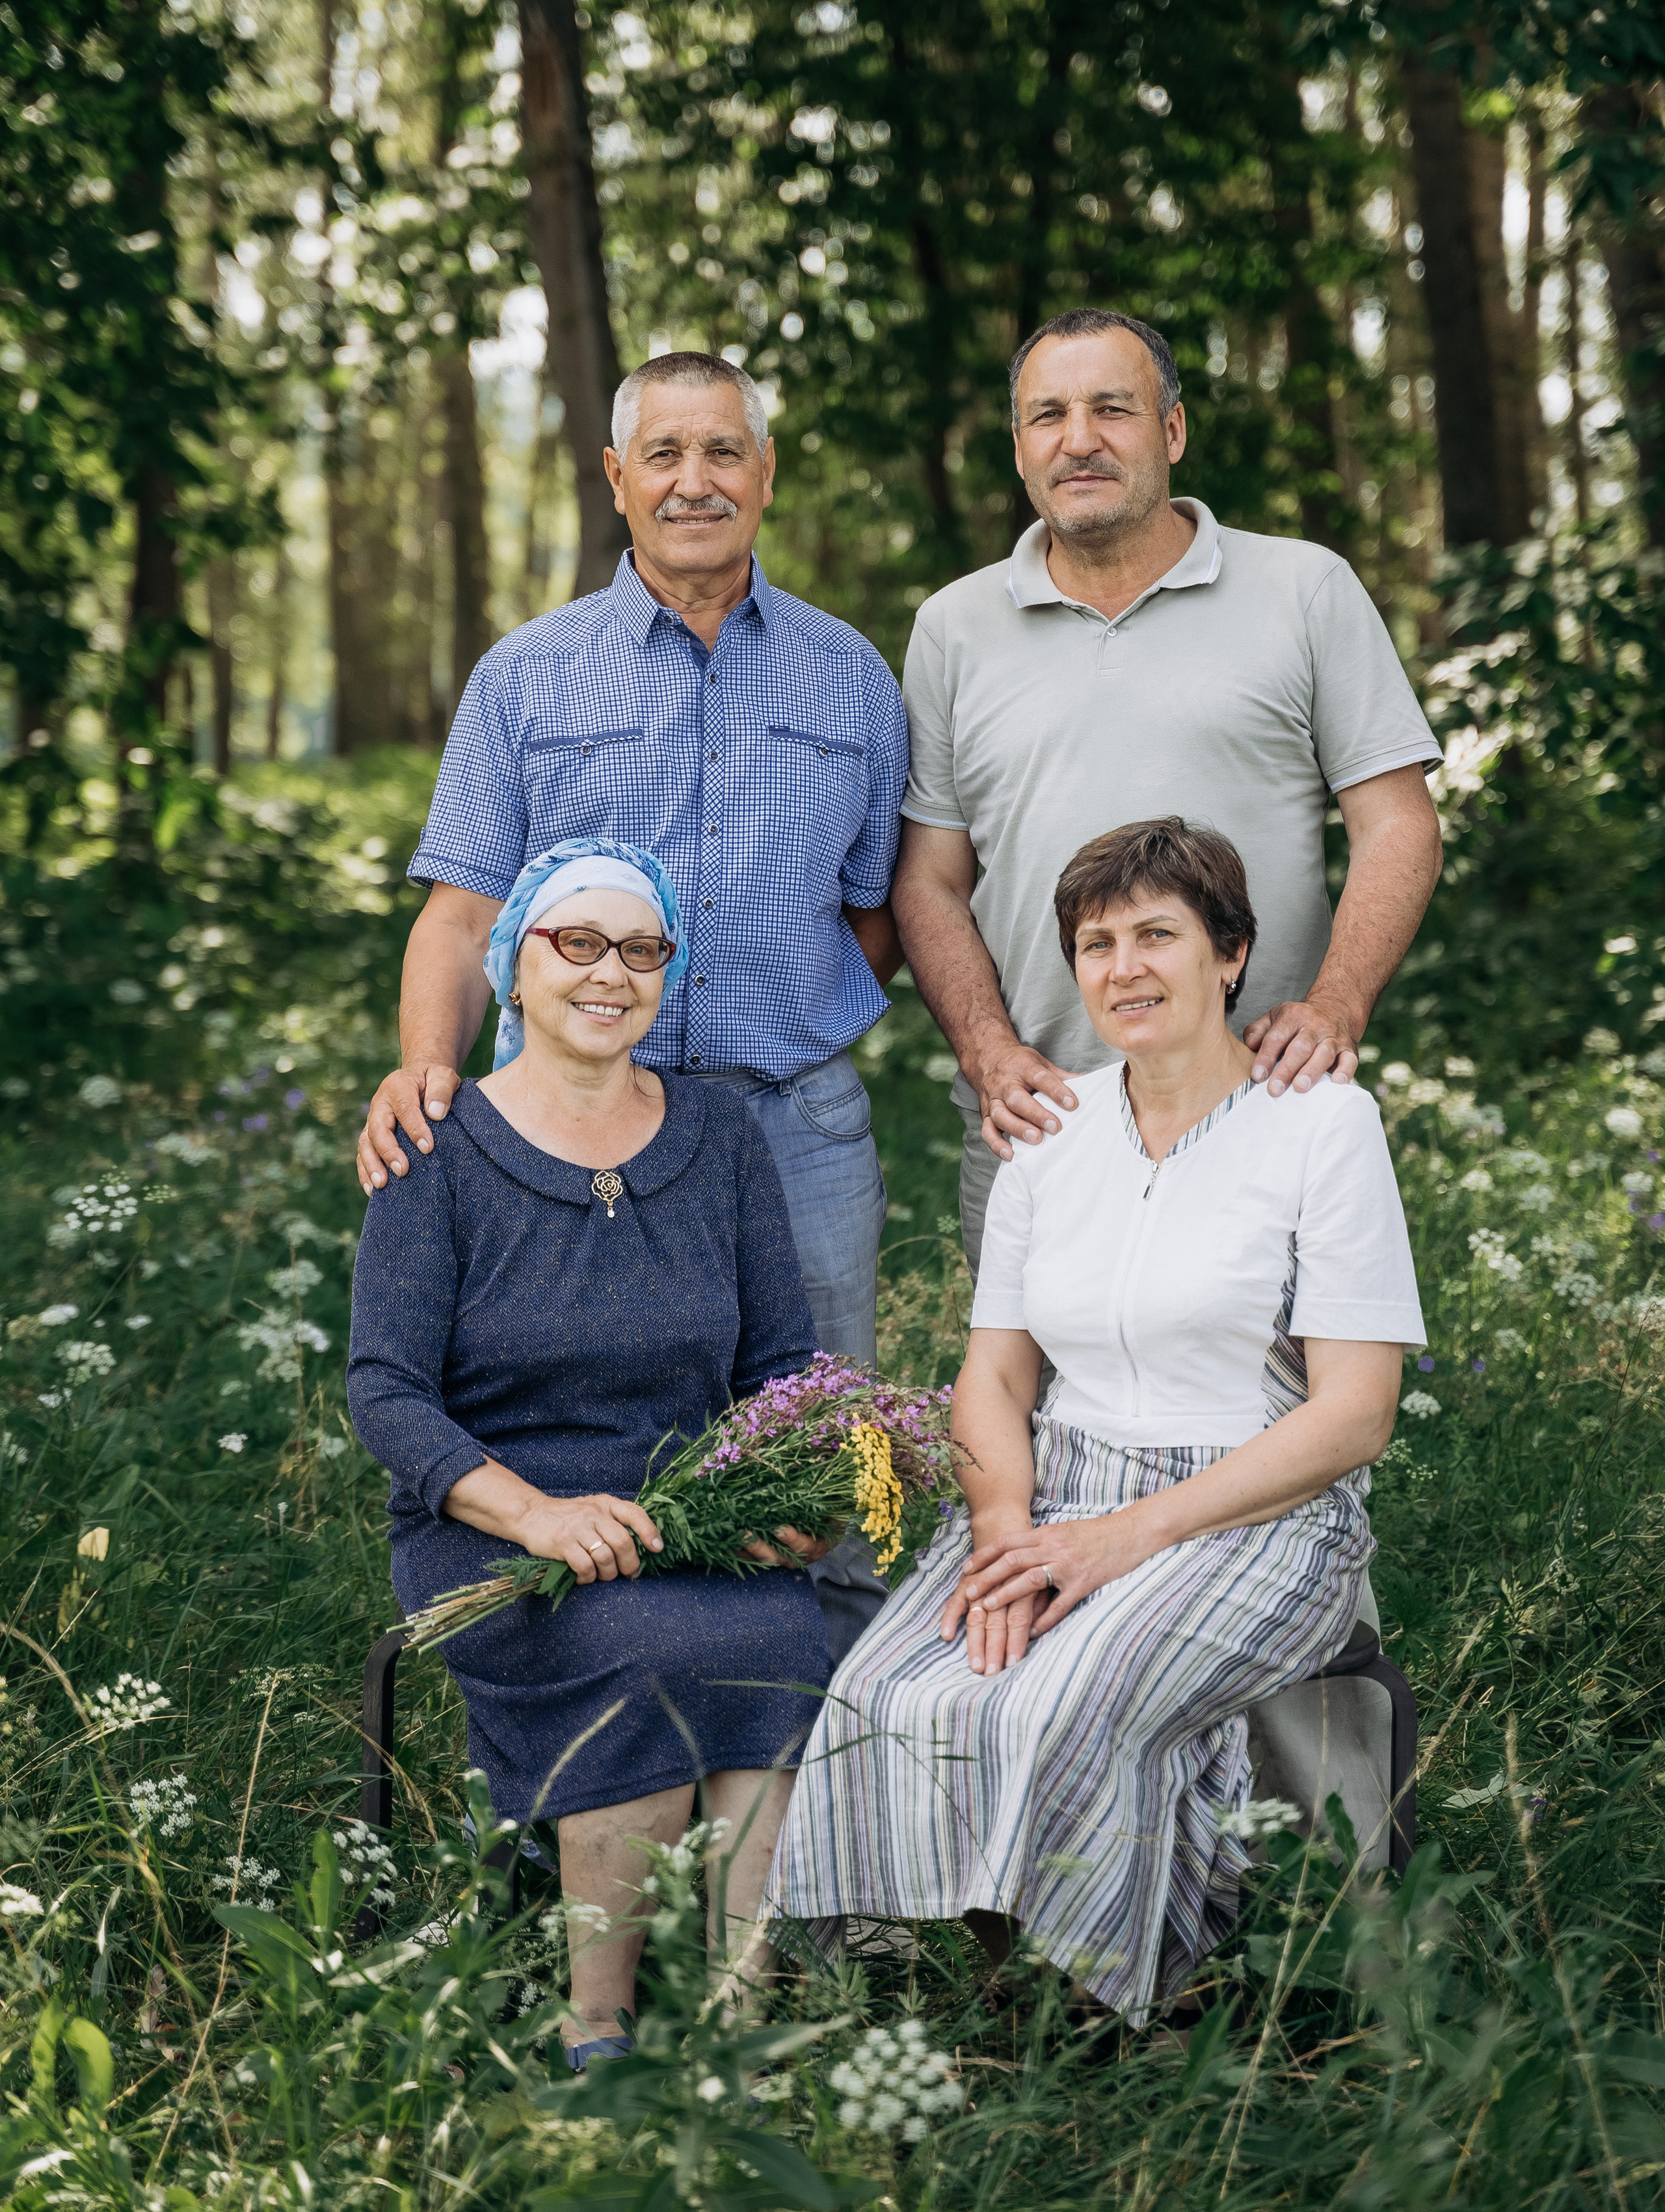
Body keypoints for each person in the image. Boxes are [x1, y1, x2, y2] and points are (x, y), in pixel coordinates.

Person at [764, 819, 1425, 2018]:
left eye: (1157, 936)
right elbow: (994, 1380)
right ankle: (994, 1984)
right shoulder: (1051, 1131)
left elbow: (1355, 1417)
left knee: (1064, 1703)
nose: (1125, 968)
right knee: (888, 1696)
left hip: (1258, 1509)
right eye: (1097, 944)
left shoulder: (1322, 1125)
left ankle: (1124, 2007)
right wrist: (1008, 1536)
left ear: (1231, 954)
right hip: (1055, 1491)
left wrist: (1121, 1541)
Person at [355, 350, 910, 1659]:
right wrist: (426, 1067)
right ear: (616, 478)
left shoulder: (849, 677)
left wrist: (795, 1017)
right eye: (663, 453)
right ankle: (590, 1701)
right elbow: (461, 916)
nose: (692, 480)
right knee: (594, 1434)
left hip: (791, 1123)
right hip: (572, 1131)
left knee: (817, 1462)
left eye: (722, 451)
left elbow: (879, 903)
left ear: (764, 474)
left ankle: (828, 1730)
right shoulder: (528, 677)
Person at [347, 841, 834, 2067]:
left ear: (668, 973)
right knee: (640, 1646)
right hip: (494, 1525)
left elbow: (781, 1364)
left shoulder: (717, 1133)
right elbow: (385, 1391)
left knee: (786, 1637)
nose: (609, 972)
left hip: (684, 1512)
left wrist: (792, 1492)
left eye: (641, 949)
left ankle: (734, 2020)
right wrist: (536, 1514)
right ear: (514, 965)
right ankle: (599, 2024)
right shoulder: (437, 1144)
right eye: (577, 942)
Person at [890, 304, 1445, 1267]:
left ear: (1173, 430)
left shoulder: (1304, 589)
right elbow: (928, 878)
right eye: (1048, 416)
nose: (1080, 440)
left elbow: (1398, 824)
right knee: (1026, 1369)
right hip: (1040, 1118)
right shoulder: (952, 628)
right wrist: (987, 1053)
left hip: (1264, 1102)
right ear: (1019, 448)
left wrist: (1335, 1007)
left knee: (1287, 1366)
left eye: (1113, 408)